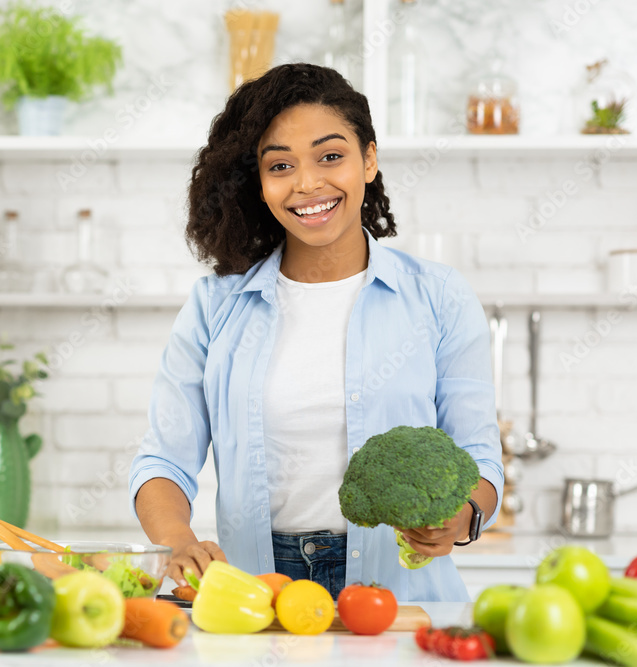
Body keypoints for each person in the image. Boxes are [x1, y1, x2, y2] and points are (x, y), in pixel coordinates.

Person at [128, 63, 502, 602]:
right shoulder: (215, 306)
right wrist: (176, 540)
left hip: (401, 599)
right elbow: (165, 460)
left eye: (331, 156)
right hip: (254, 593)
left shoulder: (439, 297)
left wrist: (463, 515)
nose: (307, 183)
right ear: (258, 182)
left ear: (369, 160)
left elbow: (479, 455)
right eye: (280, 165)